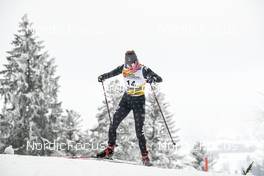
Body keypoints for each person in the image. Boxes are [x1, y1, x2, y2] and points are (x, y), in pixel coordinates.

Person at [97, 50, 162, 166]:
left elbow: (159, 78)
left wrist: (152, 79)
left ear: (136, 62)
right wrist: (103, 77)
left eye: (132, 65)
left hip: (138, 101)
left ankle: (145, 157)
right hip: (126, 99)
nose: (130, 67)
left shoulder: (143, 69)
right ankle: (110, 149)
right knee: (113, 123)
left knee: (139, 131)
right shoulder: (124, 68)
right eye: (128, 65)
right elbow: (112, 73)